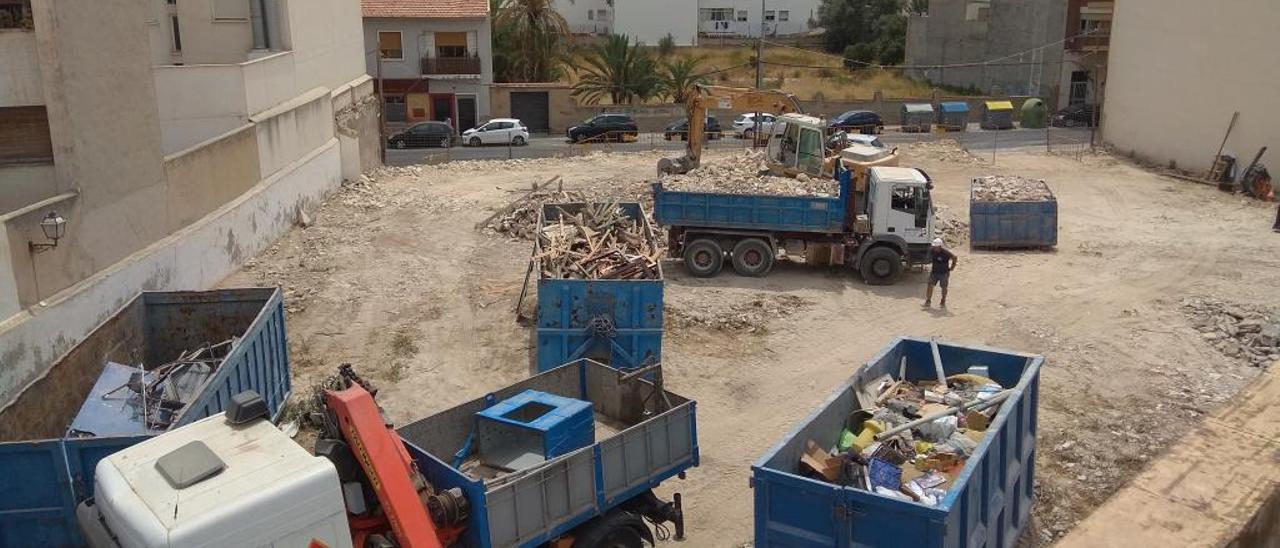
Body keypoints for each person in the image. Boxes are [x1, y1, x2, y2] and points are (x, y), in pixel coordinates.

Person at [924, 238, 957, 309]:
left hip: (944, 273)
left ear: (940, 247)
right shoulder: (932, 250)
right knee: (930, 285)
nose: (934, 248)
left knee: (944, 287)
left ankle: (943, 300)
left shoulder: (946, 253)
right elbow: (928, 257)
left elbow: (954, 257)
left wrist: (952, 267)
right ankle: (928, 300)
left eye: (936, 247)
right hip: (934, 272)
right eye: (934, 247)